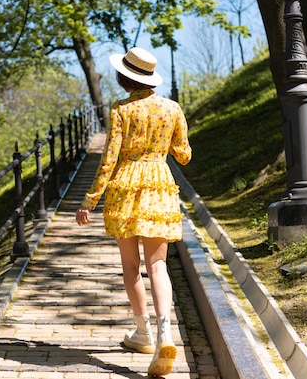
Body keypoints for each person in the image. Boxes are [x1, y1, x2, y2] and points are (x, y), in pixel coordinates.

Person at [75, 47, 191, 377]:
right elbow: (183, 155)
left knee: (131, 266)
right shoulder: (172, 108)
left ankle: (142, 332)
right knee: (158, 266)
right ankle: (165, 334)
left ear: (125, 77)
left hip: (125, 185)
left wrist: (89, 200)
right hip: (158, 185)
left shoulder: (121, 109)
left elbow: (109, 158)